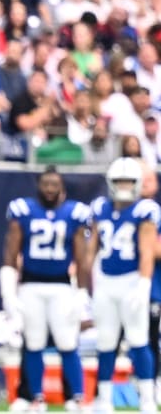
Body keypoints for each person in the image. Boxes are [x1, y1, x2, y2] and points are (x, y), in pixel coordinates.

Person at [1, 167, 91, 412]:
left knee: (67, 341)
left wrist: (82, 292)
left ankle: (76, 397)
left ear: (62, 187)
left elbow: (82, 258)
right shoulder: (24, 210)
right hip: (31, 284)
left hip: (62, 285)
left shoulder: (74, 212)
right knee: (33, 341)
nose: (50, 189)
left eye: (54, 184)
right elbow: (11, 251)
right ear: (38, 186)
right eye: (45, 184)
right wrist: (8, 290)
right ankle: (35, 397)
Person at [89, 157, 158, 413]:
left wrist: (143, 283)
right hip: (106, 282)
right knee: (105, 341)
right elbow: (90, 249)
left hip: (131, 280)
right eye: (120, 182)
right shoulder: (99, 208)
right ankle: (104, 398)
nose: (125, 186)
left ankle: (148, 398)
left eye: (129, 182)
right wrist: (82, 287)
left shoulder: (145, 210)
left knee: (139, 339)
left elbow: (147, 251)